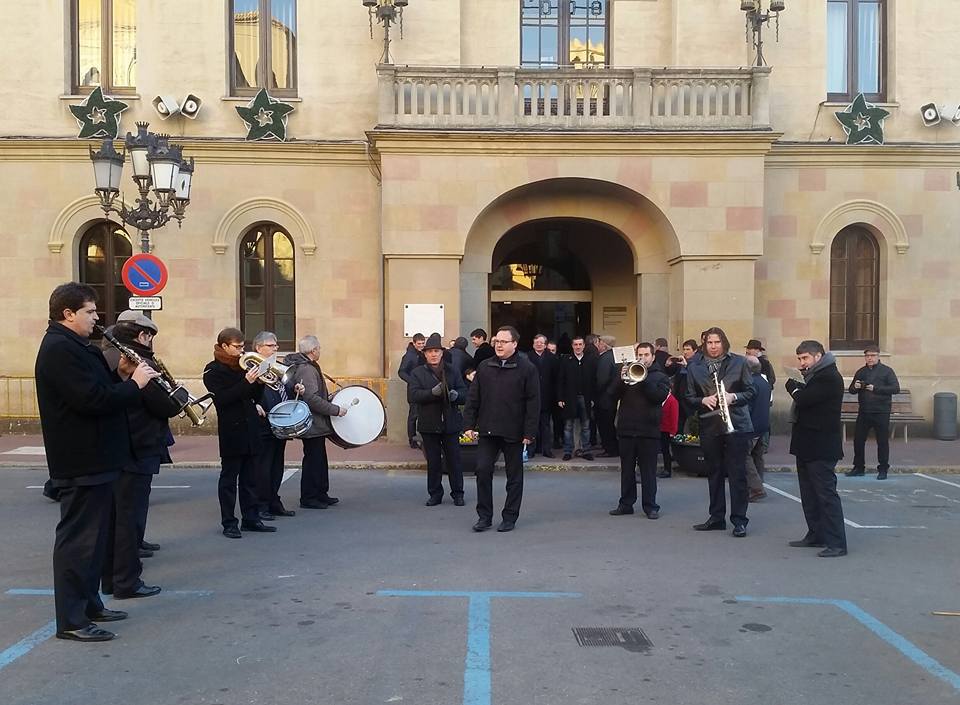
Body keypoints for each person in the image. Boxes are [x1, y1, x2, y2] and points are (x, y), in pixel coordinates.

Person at [35, 282, 158, 642]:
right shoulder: (59, 348)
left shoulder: (74, 345)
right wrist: (134, 384)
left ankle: (91, 604)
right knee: (79, 543)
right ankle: (72, 620)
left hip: (98, 458)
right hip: (81, 460)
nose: (97, 318)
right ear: (67, 313)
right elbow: (91, 400)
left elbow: (97, 388)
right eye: (89, 311)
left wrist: (119, 374)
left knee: (96, 540)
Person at [100, 311, 181, 600]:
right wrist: (176, 394)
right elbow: (165, 405)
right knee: (128, 520)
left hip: (118, 446)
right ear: (141, 335)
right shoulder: (138, 361)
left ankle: (110, 579)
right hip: (137, 446)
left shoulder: (106, 356)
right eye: (150, 336)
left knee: (115, 518)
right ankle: (127, 582)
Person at [462, 325, 539, 533]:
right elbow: (473, 397)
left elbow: (533, 403)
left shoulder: (527, 369)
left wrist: (529, 432)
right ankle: (484, 516)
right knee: (483, 470)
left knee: (514, 477)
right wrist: (468, 424)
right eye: (497, 341)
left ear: (514, 344)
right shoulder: (485, 367)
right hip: (488, 429)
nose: (499, 345)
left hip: (514, 431)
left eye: (504, 342)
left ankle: (510, 517)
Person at [203, 328, 276, 538]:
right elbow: (224, 399)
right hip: (232, 430)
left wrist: (259, 383)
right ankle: (229, 522)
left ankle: (251, 518)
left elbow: (252, 397)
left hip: (251, 428)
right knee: (229, 480)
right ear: (224, 346)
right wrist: (247, 382)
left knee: (250, 478)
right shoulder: (213, 370)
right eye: (237, 347)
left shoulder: (244, 367)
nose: (242, 351)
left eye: (243, 346)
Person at [685, 327, 756, 538]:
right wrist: (702, 400)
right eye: (709, 343)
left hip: (737, 424)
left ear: (724, 343)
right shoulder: (694, 367)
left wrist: (734, 397)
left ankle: (739, 520)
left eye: (717, 342)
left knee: (737, 474)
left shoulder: (739, 362)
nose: (713, 346)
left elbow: (751, 391)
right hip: (710, 425)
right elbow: (688, 397)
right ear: (704, 345)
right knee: (714, 473)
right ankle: (716, 517)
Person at [785, 340, 848, 557]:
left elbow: (804, 399)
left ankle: (837, 542)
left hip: (821, 445)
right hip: (807, 444)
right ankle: (816, 534)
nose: (802, 363)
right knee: (809, 493)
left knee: (825, 495)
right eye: (800, 359)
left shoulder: (829, 376)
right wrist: (801, 383)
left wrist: (793, 387)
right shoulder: (815, 376)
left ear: (818, 356)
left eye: (805, 358)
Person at [285, 335, 347, 509]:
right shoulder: (306, 369)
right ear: (313, 350)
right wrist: (334, 410)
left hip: (317, 423)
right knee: (313, 460)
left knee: (319, 459)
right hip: (312, 423)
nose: (320, 351)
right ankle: (309, 497)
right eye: (319, 348)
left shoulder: (309, 366)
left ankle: (321, 493)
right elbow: (311, 397)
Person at [609, 343, 670, 519]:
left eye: (646, 355)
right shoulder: (627, 373)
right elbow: (611, 394)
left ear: (652, 357)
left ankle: (650, 506)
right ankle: (626, 503)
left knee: (648, 471)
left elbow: (658, 398)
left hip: (648, 430)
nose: (642, 358)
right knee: (627, 470)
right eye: (640, 354)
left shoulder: (660, 377)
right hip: (627, 429)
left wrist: (643, 381)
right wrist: (620, 379)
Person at [407, 333, 467, 506]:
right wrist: (431, 393)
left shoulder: (452, 370)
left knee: (454, 461)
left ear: (442, 353)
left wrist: (457, 396)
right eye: (430, 351)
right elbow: (412, 395)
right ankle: (435, 494)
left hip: (450, 423)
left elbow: (464, 392)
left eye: (436, 351)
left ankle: (458, 494)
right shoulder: (417, 372)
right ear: (424, 354)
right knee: (433, 462)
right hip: (429, 423)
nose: (433, 354)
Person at [250, 331, 295, 520]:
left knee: (277, 466)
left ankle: (273, 501)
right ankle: (261, 505)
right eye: (271, 345)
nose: (275, 348)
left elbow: (283, 387)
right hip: (263, 423)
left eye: (276, 345)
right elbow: (246, 391)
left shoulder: (277, 366)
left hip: (280, 420)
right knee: (263, 467)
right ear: (258, 348)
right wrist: (255, 404)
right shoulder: (251, 367)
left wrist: (295, 389)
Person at [847, 345, 900, 479]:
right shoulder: (861, 371)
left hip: (881, 411)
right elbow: (851, 390)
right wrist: (856, 386)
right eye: (867, 356)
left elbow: (895, 388)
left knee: (882, 441)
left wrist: (875, 388)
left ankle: (883, 469)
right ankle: (858, 467)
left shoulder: (887, 371)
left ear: (878, 356)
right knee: (858, 440)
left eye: (872, 355)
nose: (870, 358)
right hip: (864, 411)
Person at [558, 336, 596, 461]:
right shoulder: (565, 360)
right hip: (570, 398)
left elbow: (594, 380)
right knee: (568, 426)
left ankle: (586, 451)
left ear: (584, 345)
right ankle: (568, 451)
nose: (578, 347)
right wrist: (560, 398)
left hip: (586, 398)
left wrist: (593, 398)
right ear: (572, 346)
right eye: (575, 344)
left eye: (580, 344)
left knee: (586, 426)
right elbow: (560, 380)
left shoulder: (590, 360)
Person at [744, 355, 772, 501]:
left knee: (745, 456)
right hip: (763, 424)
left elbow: (747, 406)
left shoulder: (750, 383)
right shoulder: (764, 382)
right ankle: (758, 482)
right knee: (757, 456)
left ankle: (756, 488)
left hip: (752, 425)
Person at [528, 333, 560, 458]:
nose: (539, 344)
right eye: (536, 342)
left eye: (541, 342)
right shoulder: (527, 357)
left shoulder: (552, 358)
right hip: (531, 396)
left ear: (545, 344)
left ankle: (546, 450)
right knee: (532, 425)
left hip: (547, 397)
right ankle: (531, 449)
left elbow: (556, 378)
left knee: (546, 425)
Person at [398, 333, 427, 449]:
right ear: (414, 343)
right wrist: (412, 381)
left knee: (421, 415)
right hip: (414, 390)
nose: (421, 345)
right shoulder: (408, 356)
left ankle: (420, 439)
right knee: (413, 416)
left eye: (422, 343)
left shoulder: (422, 354)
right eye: (419, 343)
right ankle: (412, 439)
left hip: (423, 389)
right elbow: (401, 372)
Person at [594, 335, 620, 458]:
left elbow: (601, 379)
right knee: (608, 423)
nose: (597, 345)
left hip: (604, 398)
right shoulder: (614, 356)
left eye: (599, 342)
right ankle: (612, 447)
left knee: (605, 425)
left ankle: (609, 449)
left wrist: (595, 393)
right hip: (611, 397)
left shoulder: (605, 358)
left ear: (604, 344)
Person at [658, 389, 679, 478]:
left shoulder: (672, 401)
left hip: (667, 430)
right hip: (661, 429)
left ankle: (668, 470)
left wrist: (673, 431)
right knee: (663, 450)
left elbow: (674, 417)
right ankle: (665, 469)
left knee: (666, 451)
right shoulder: (662, 399)